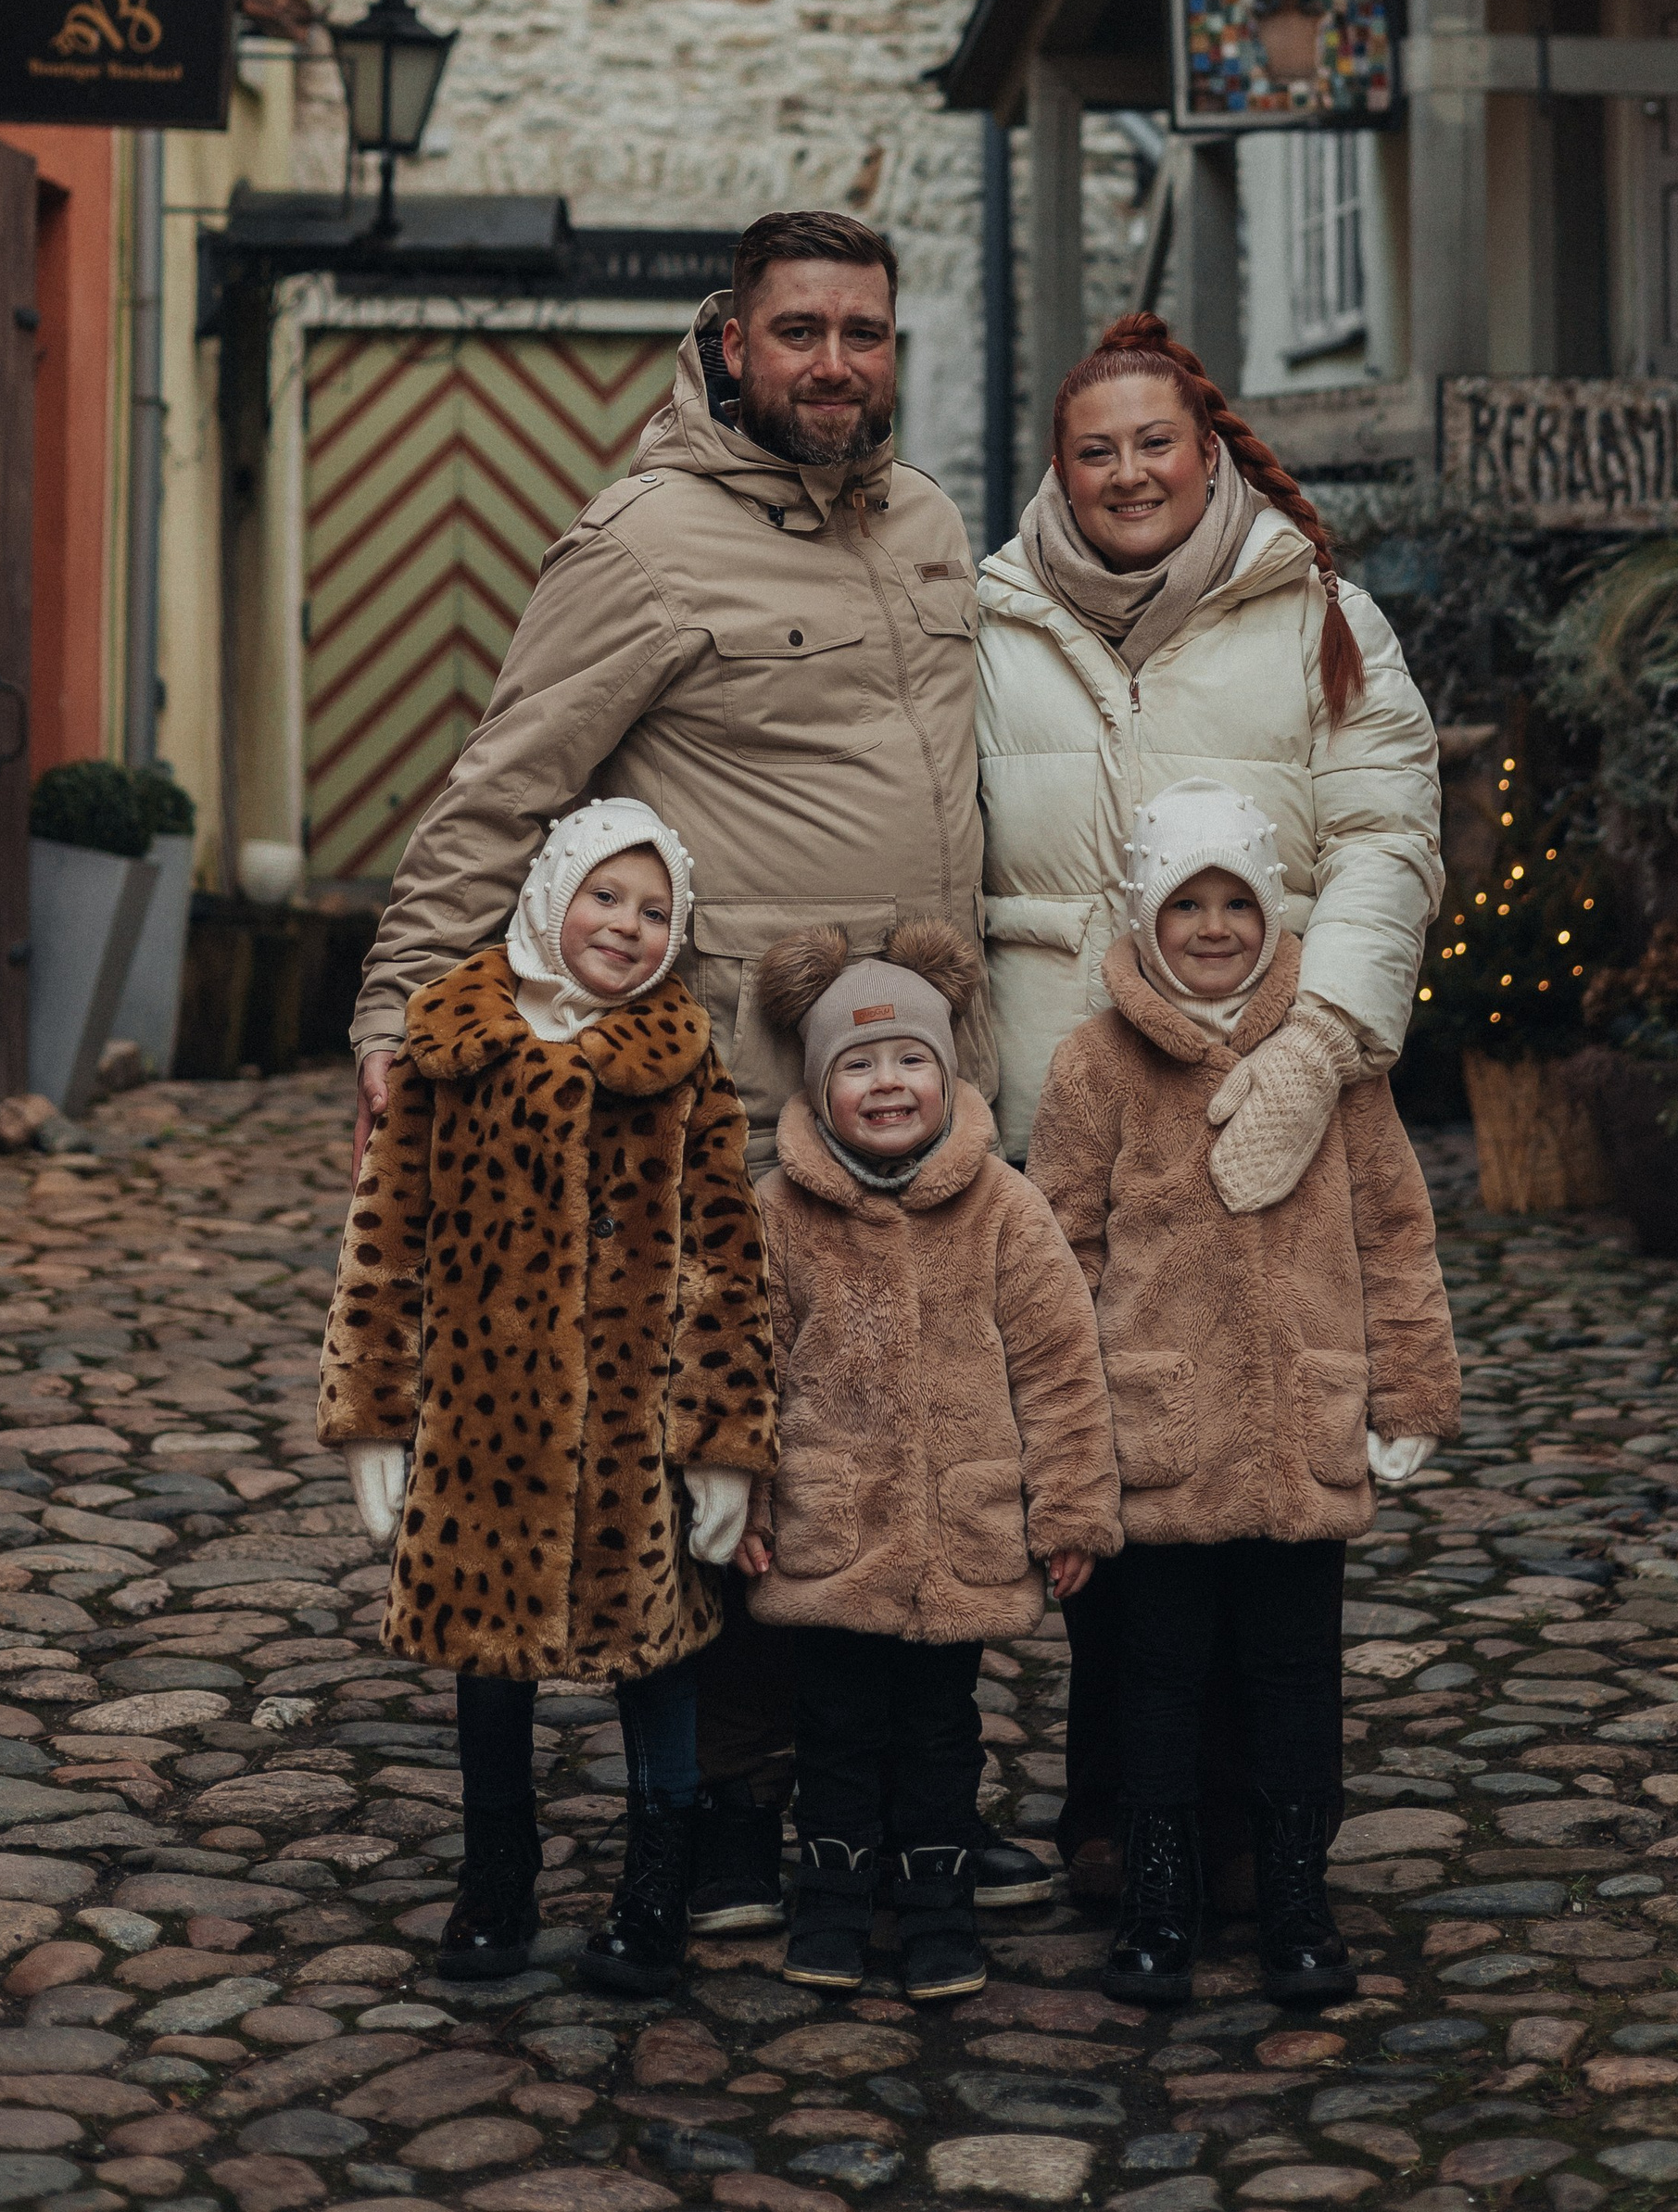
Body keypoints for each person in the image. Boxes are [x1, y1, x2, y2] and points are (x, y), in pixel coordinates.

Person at [342, 211, 1035, 1928]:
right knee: (742, 1443)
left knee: (905, 1431)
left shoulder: (934, 526)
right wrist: (391, 1020)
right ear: (731, 341)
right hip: (733, 1088)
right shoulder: (644, 541)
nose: (834, 363)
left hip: (928, 1084)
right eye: (799, 330)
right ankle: (729, 1808)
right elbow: (503, 791)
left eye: (863, 332)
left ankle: (879, 1795)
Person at [977, 309, 1445, 1901]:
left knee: (1263, 1456)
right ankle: (1120, 1808)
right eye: (1093, 448)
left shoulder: (1314, 611)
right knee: (1101, 1458)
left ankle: (1258, 1818)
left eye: (1152, 443)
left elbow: (1388, 830)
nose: (1126, 473)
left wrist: (1318, 1044)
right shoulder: (990, 619)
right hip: (1072, 1096)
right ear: (1059, 464)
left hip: (1273, 1093)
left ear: (1210, 447)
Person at [317, 801, 777, 1992]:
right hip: (480, 1416)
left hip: (634, 1425)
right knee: (490, 1653)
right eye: (605, 895)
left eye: (655, 909)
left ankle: (655, 1876)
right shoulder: (449, 1045)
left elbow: (726, 1258)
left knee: (656, 1651)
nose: (626, 925)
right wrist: (374, 1410)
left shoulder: (679, 1063)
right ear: (549, 894)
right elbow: (386, 1236)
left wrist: (723, 1444)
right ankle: (496, 1869)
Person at [1029, 778, 1460, 2007]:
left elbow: (1393, 1230)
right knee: (1152, 1677)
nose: (1213, 926)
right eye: (1186, 903)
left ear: (1274, 914)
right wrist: (1068, 1432)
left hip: (1297, 1430)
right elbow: (1061, 1259)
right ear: (1145, 914)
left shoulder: (1334, 1066)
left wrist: (1409, 1389)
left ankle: (1290, 1889)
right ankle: (1159, 1886)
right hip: (1154, 1439)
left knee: (1294, 1671)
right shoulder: (1095, 1066)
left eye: (1237, 901)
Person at [736, 918, 1121, 2000]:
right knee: (836, 1733)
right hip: (830, 1530)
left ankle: (940, 1907)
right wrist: (746, 1498)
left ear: (949, 1070)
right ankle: (832, 1901)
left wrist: (1072, 1511)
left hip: (962, 1528)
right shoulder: (779, 1213)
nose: (890, 1082)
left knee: (944, 1730)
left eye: (911, 1058)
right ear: (818, 1088)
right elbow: (742, 1369)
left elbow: (1059, 1367)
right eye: (858, 1065)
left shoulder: (1007, 1208)